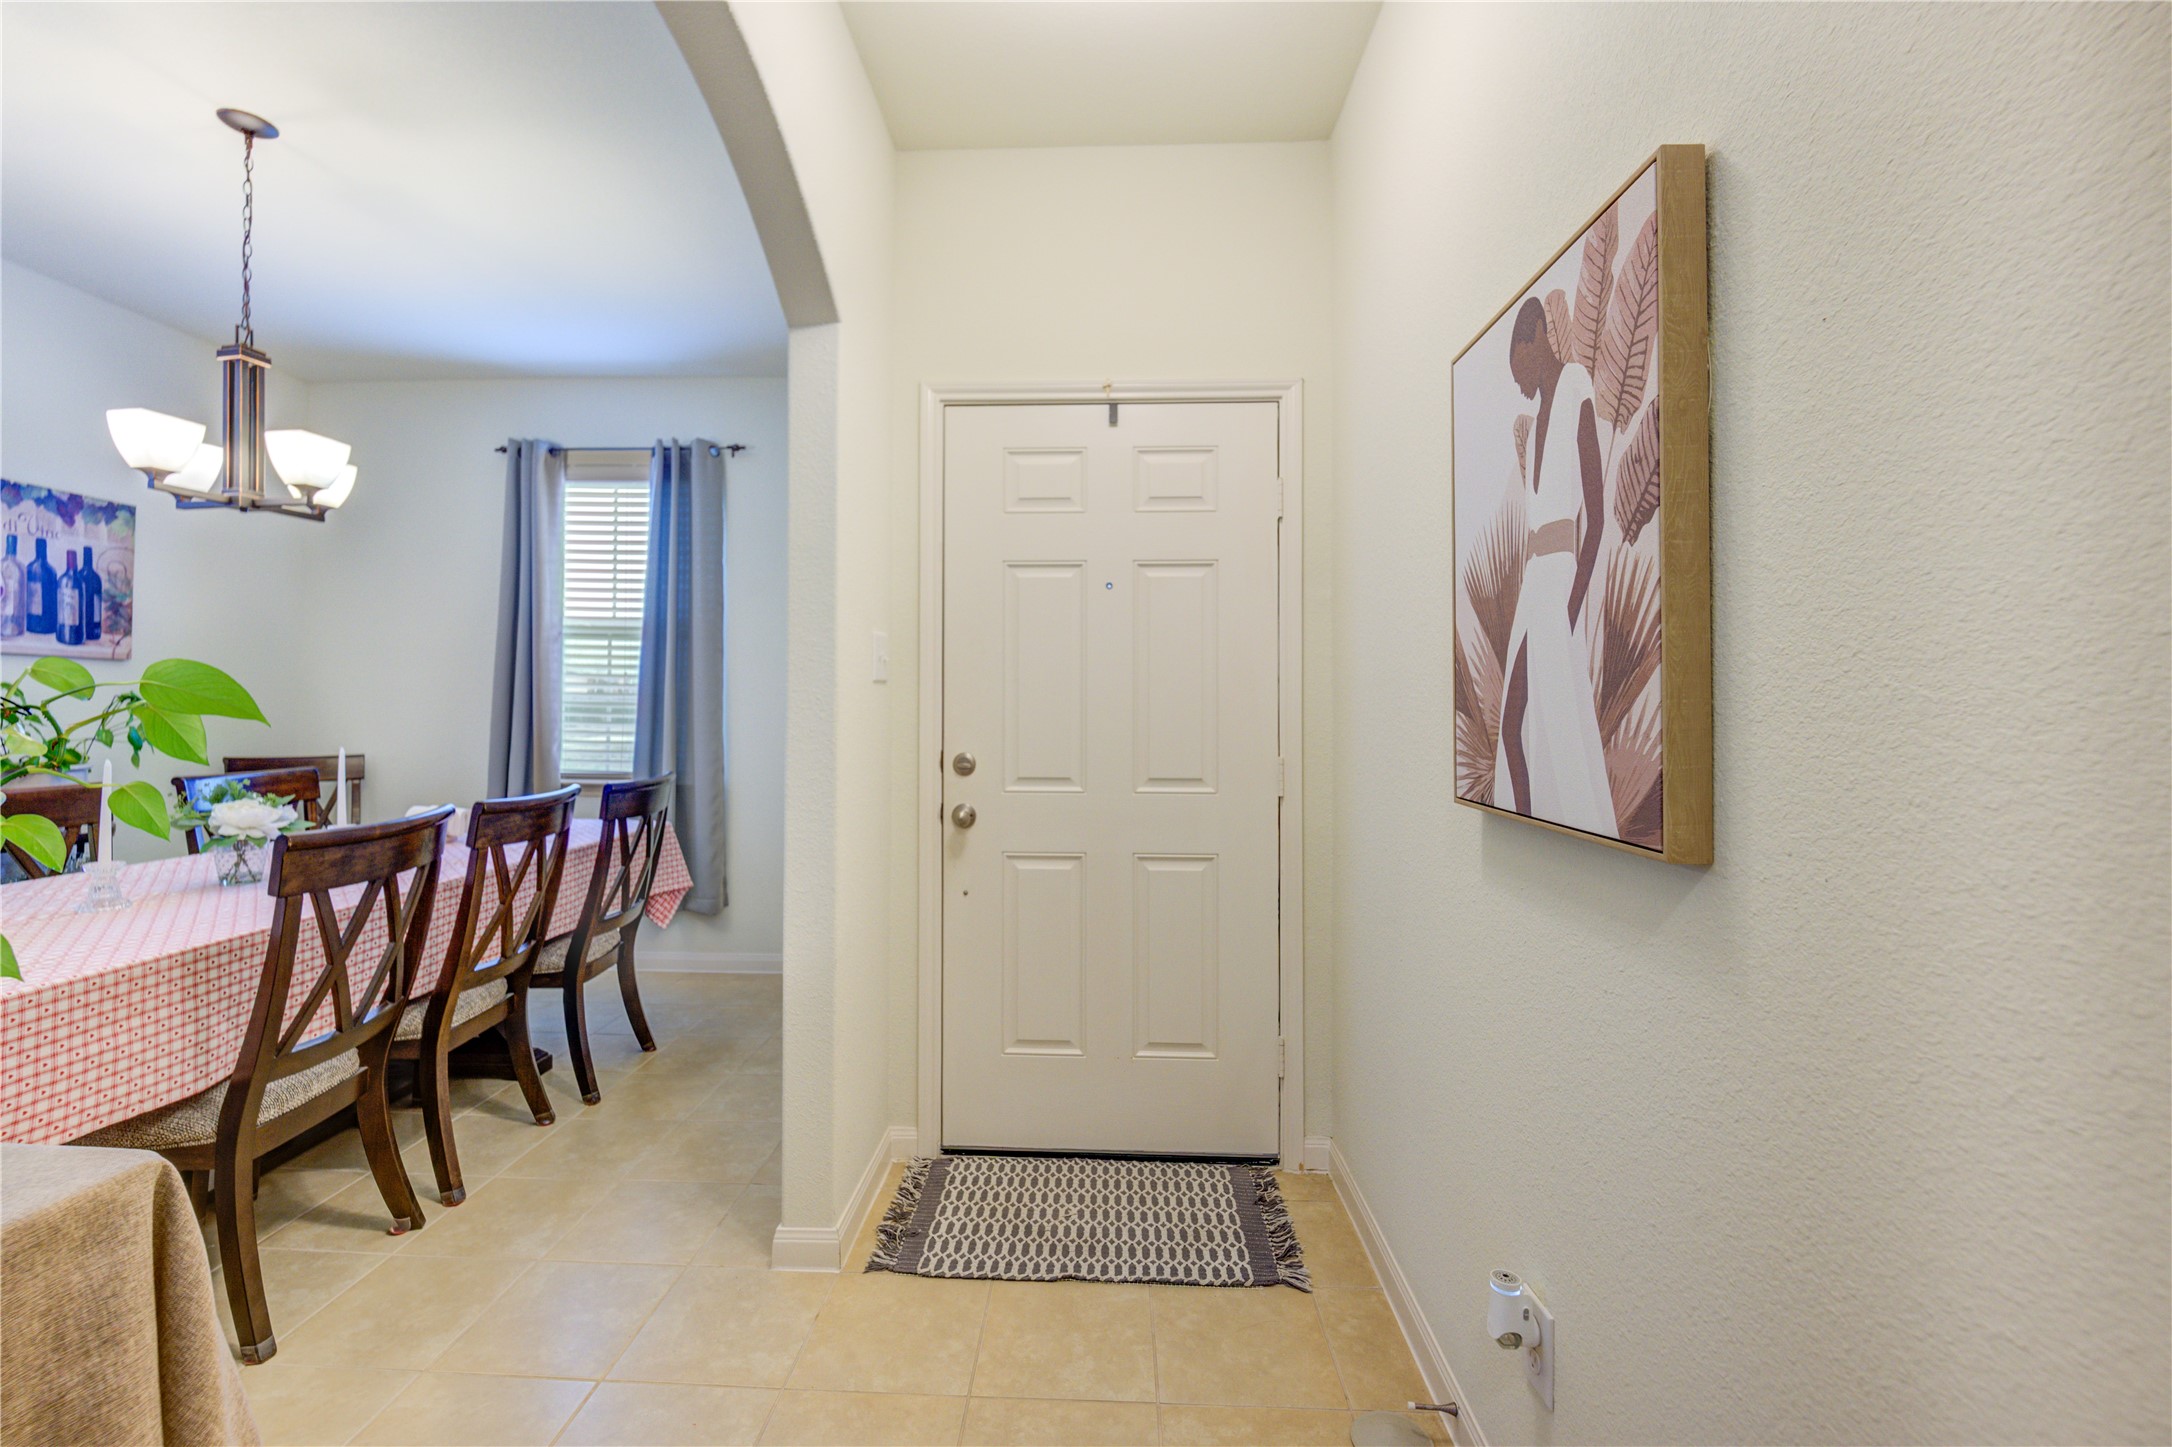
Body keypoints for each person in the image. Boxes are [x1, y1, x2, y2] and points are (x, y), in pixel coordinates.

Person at [1492, 296, 1615, 835]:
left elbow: (1598, 513)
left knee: (1561, 726)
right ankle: (1526, 828)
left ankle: (1581, 831)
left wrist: (1571, 606)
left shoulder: (1574, 387)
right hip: (1533, 586)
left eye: (1520, 368)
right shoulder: (1540, 411)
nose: (1519, 384)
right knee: (1512, 727)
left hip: (1559, 580)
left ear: (1537, 334)